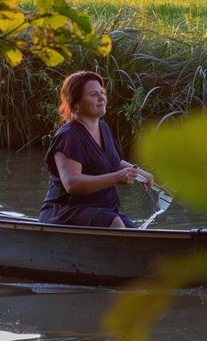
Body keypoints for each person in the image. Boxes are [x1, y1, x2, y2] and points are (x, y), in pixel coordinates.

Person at [39, 71, 150, 228]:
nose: (101, 98)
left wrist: (139, 173)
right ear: (76, 103)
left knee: (133, 230)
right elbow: (72, 183)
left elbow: (112, 162)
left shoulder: (103, 128)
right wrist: (116, 178)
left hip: (105, 209)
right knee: (116, 224)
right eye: (93, 94)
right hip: (67, 211)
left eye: (102, 93)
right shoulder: (69, 136)